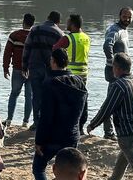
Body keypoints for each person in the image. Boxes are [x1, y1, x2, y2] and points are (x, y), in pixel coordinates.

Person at [87, 53, 133, 180]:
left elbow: (107, 109)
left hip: (128, 134)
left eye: (113, 66)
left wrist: (93, 124)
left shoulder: (119, 85)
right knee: (123, 160)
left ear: (117, 68)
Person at [32, 49, 88, 180]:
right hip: (71, 135)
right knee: (71, 171)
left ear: (53, 61)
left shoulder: (50, 83)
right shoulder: (79, 82)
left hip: (52, 137)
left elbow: (45, 116)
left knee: (38, 168)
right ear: (67, 63)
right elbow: (84, 113)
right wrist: (79, 129)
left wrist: (39, 140)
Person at [23, 11, 64, 129]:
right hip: (51, 69)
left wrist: (24, 66)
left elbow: (27, 47)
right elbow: (60, 54)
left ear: (47, 17)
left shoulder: (35, 30)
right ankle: (47, 122)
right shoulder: (59, 33)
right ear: (58, 21)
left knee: (36, 96)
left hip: (34, 66)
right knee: (49, 96)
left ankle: (36, 122)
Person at [102, 7, 133, 139]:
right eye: (124, 16)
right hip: (115, 72)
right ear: (119, 16)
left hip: (122, 72)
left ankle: (115, 131)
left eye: (129, 17)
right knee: (111, 102)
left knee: (118, 101)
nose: (126, 19)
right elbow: (107, 45)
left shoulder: (124, 31)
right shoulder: (114, 30)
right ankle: (109, 133)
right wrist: (113, 64)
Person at [2, 13, 35, 128]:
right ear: (33, 24)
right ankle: (25, 122)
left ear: (23, 22)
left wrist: (5, 68)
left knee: (14, 94)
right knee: (29, 96)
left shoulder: (15, 35)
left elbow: (7, 53)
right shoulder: (35, 37)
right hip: (31, 71)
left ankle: (9, 119)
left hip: (17, 69)